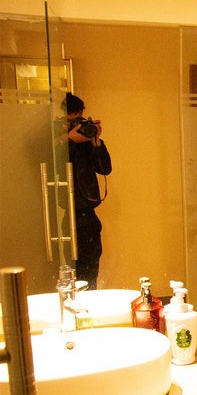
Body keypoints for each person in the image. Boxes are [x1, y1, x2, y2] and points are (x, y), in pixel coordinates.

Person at [64, 92, 112, 289]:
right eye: (72, 121)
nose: (78, 125)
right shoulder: (57, 144)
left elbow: (105, 169)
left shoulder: (87, 143)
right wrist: (68, 140)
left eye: (80, 119)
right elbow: (46, 160)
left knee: (90, 271)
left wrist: (96, 141)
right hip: (68, 215)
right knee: (70, 273)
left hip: (88, 216)